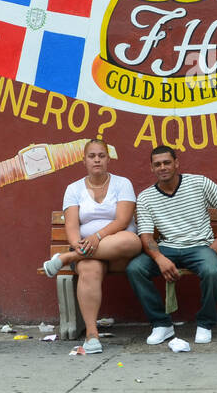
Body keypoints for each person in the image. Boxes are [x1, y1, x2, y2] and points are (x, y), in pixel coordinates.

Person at [127, 146, 217, 346]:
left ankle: (205, 323)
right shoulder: (146, 197)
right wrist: (159, 258)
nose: (163, 167)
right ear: (152, 168)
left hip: (199, 247)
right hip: (166, 248)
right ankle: (161, 324)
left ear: (176, 163)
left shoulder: (199, 183)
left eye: (167, 162)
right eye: (157, 164)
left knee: (212, 271)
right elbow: (145, 236)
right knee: (135, 268)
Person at [41, 139, 142, 354]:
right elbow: (72, 227)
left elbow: (123, 221)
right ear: (84, 160)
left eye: (101, 155)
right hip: (89, 254)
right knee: (89, 268)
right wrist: (79, 244)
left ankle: (67, 258)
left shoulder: (122, 183)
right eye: (92, 156)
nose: (97, 159)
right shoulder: (73, 188)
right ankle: (92, 334)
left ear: (108, 159)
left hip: (119, 250)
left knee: (131, 240)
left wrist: (96, 237)